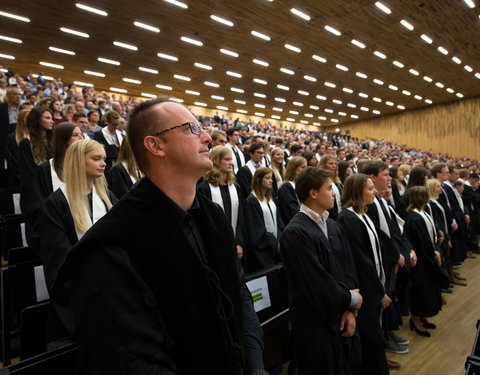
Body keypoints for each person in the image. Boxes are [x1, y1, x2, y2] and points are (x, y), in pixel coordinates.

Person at [55, 97, 267, 374]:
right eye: (191, 128)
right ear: (155, 145)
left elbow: (240, 299)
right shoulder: (111, 244)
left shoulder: (213, 217)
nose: (206, 136)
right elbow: (130, 358)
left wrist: (255, 368)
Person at [280, 167, 362, 375]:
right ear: (313, 193)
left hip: (342, 315)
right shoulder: (296, 232)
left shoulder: (333, 225)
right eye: (329, 188)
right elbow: (316, 281)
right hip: (315, 325)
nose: (335, 193)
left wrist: (350, 309)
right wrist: (350, 299)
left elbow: (348, 267)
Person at [39, 139, 117, 344]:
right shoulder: (56, 203)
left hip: (111, 288)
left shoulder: (107, 196)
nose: (104, 163)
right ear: (77, 162)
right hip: (79, 294)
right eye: (96, 158)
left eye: (104, 159)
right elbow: (59, 257)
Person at [337, 174, 390, 375]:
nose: (374, 191)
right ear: (358, 192)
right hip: (365, 291)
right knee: (369, 341)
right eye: (369, 188)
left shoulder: (363, 214)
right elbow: (361, 262)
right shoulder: (347, 218)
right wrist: (379, 293)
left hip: (374, 287)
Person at [404, 186, 443, 337]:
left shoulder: (422, 213)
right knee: (420, 291)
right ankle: (415, 319)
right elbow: (422, 242)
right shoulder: (414, 218)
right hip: (421, 262)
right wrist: (433, 253)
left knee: (427, 290)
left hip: (427, 259)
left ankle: (422, 316)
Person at [198, 145, 245, 259]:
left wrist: (239, 242)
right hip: (215, 245)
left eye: (231, 159)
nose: (231, 163)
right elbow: (205, 220)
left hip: (235, 243)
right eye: (226, 159)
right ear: (216, 161)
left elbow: (240, 217)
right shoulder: (204, 188)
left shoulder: (235, 186)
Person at [244, 167, 284, 273]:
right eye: (267, 178)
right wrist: (274, 244)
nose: (271, 181)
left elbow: (279, 222)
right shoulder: (251, 201)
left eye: (271, 178)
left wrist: (280, 240)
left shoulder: (271, 199)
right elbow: (256, 230)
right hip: (262, 252)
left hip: (276, 249)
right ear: (258, 179)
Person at [277, 156, 306, 225]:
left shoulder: (302, 184)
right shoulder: (286, 187)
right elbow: (291, 211)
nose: (305, 170)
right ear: (294, 169)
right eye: (303, 167)